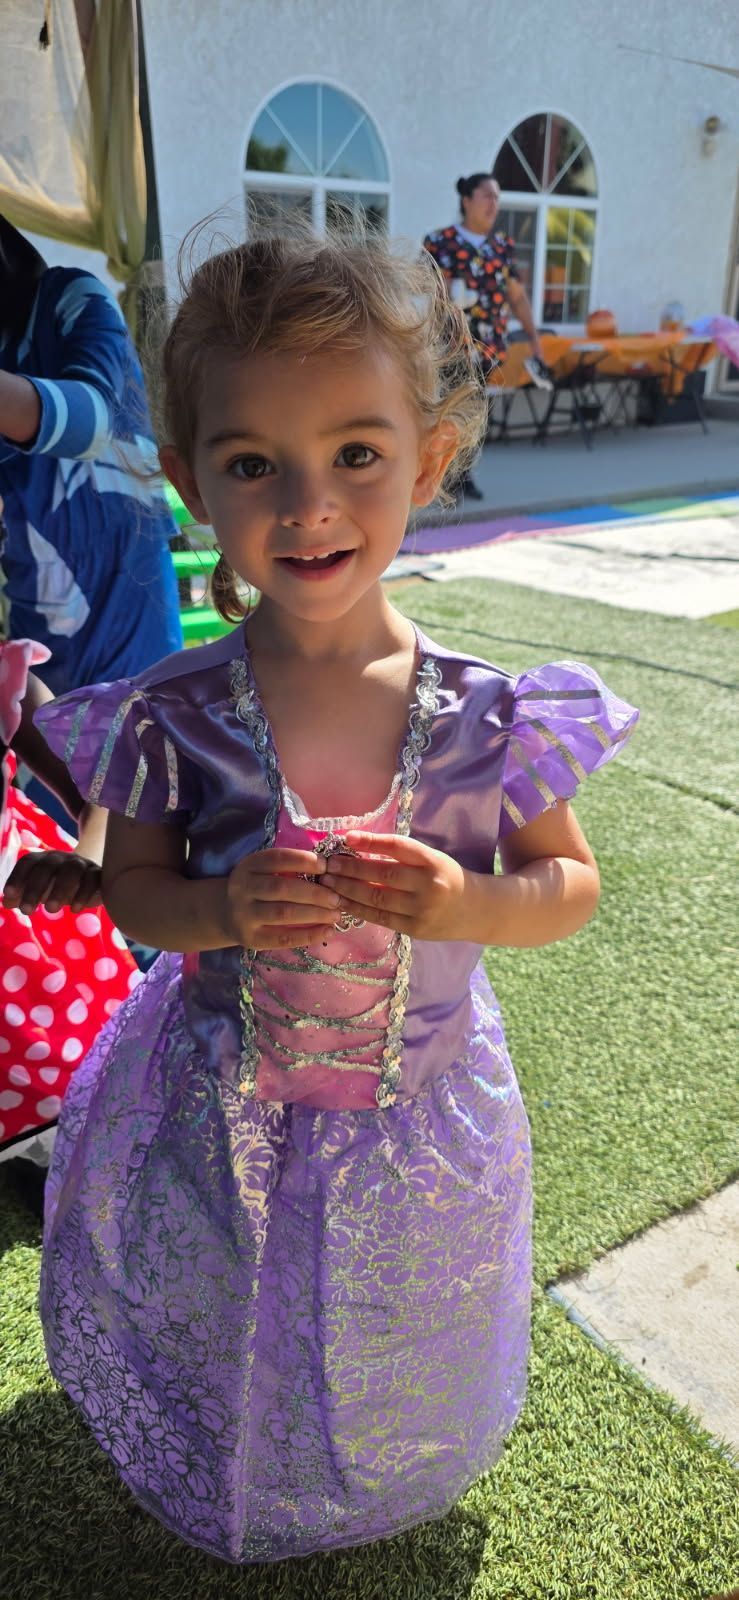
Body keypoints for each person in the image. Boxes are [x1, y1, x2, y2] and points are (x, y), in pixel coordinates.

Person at [34, 230, 638, 1565]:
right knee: (225, 1295)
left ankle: (370, 1465)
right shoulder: (172, 712)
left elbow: (568, 884)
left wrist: (465, 901)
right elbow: (136, 892)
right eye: (255, 464)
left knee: (396, 1301)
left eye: (355, 453)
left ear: (427, 458)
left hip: (418, 1101)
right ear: (191, 483)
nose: (309, 504)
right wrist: (216, 912)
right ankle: (228, 1449)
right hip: (215, 1097)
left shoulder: (487, 713)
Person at [0, 216, 182, 697]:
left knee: (142, 725)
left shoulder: (70, 296)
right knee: (44, 732)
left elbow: (90, 423)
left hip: (126, 582)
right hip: (40, 599)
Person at [0, 559, 137, 1173]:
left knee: (82, 1137)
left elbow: (101, 787)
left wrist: (87, 860)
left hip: (25, 949)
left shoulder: (6, 680)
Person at [424, 173, 548, 498]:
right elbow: (424, 287)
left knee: (477, 414)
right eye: (487, 196)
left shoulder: (501, 247)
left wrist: (534, 339)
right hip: (451, 346)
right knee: (449, 412)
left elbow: (517, 297)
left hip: (488, 349)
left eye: (497, 197)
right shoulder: (440, 242)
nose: (494, 204)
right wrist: (447, 290)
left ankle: (462, 475)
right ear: (467, 200)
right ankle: (442, 478)